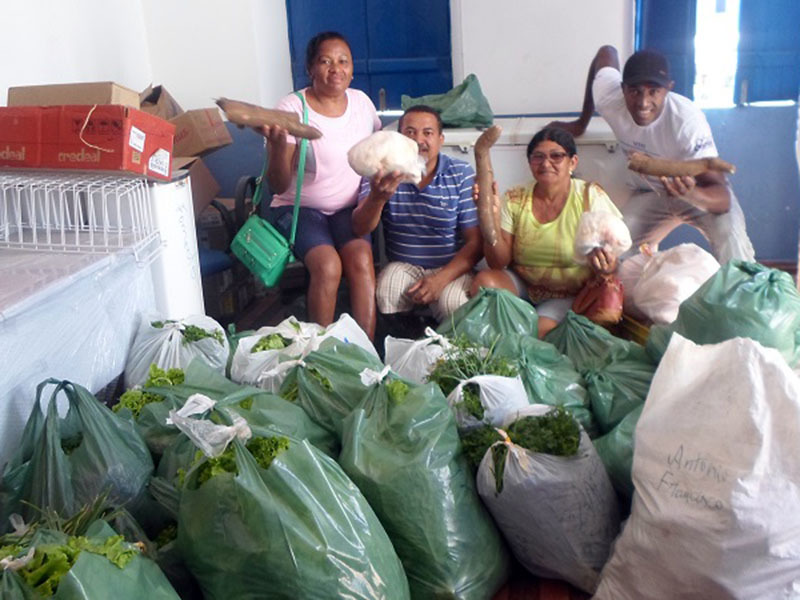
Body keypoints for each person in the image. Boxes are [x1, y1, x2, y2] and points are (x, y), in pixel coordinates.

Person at [551, 46, 754, 264]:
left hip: (698, 193)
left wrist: (691, 195)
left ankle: (750, 294)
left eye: (653, 91)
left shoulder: (686, 122)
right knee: (611, 251)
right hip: (654, 194)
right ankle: (635, 292)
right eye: (635, 91)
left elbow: (723, 200)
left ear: (668, 89)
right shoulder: (609, 99)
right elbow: (606, 53)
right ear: (623, 88)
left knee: (731, 241)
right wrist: (581, 123)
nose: (643, 103)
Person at [260, 31, 381, 339]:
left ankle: (366, 352)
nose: (335, 69)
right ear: (311, 68)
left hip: (347, 210)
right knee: (328, 266)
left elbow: (375, 148)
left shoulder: (363, 103)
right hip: (300, 208)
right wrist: (276, 147)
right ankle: (319, 354)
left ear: (353, 69)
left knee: (362, 261)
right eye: (325, 61)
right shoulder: (292, 108)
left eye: (343, 61)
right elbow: (277, 184)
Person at [470, 127, 622, 338]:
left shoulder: (590, 196)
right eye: (538, 157)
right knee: (484, 283)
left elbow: (615, 256)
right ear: (530, 163)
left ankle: (520, 330)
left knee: (541, 332)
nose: (546, 163)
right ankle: (514, 329)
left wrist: (607, 265)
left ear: (573, 162)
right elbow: (498, 262)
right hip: (524, 284)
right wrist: (491, 217)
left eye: (556, 156)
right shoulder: (515, 197)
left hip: (570, 292)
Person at [352, 105, 482, 326]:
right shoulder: (382, 172)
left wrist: (440, 280)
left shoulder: (460, 172)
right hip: (404, 265)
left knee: (452, 303)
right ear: (399, 139)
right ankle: (404, 347)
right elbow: (360, 228)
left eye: (427, 133)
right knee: (387, 293)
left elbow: (475, 242)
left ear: (441, 139)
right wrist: (377, 197)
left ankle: (448, 353)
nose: (418, 140)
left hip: (450, 267)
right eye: (410, 133)